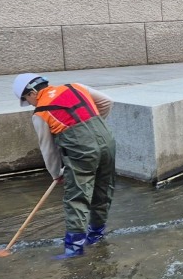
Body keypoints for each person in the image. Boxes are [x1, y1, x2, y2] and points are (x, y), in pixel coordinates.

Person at [13, 73, 118, 260]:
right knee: (103, 188)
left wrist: (56, 173)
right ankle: (96, 235)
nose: (30, 104)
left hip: (81, 149)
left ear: (32, 93)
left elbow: (48, 149)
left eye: (27, 100)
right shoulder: (75, 86)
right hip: (106, 139)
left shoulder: (41, 113)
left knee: (77, 196)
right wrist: (93, 125)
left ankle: (74, 249)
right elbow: (107, 102)